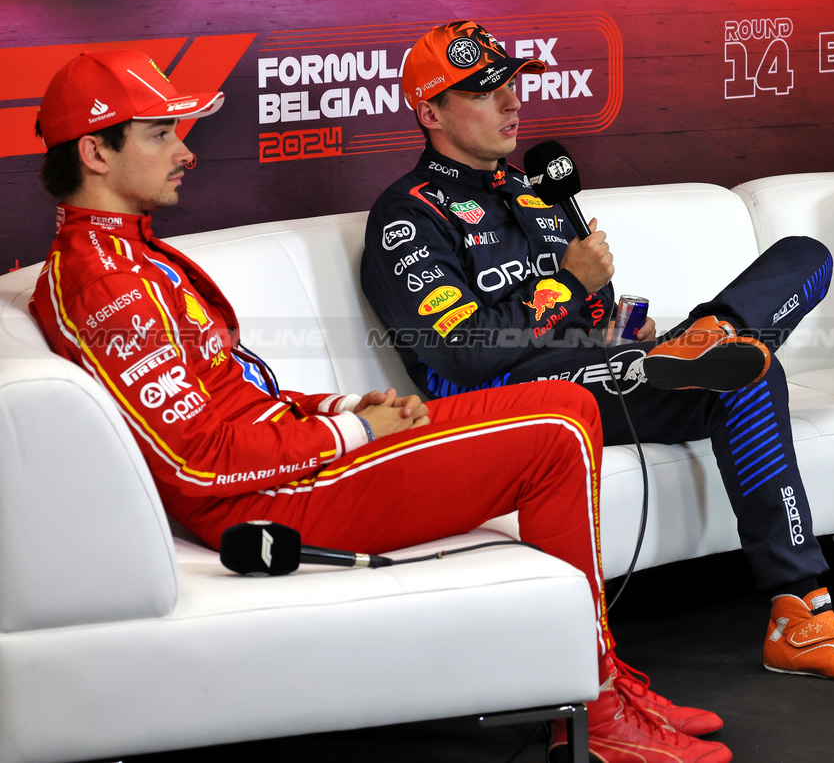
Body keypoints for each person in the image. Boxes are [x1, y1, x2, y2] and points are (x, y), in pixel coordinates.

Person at [28, 49, 733, 763]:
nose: (185, 153)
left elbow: (234, 396)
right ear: (95, 151)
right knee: (557, 420)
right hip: (267, 501)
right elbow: (201, 462)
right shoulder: (105, 283)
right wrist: (353, 428)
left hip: (290, 467)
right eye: (160, 134)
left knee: (566, 408)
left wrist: (337, 404)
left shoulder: (131, 258)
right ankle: (593, 702)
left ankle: (600, 674)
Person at [360, 21, 834, 684]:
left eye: (512, 85)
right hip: (514, 402)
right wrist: (567, 282)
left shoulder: (537, 194)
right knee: (750, 377)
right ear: (430, 112)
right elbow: (463, 355)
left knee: (804, 257)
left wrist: (631, 332)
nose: (510, 103)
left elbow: (598, 312)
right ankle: (803, 612)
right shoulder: (406, 218)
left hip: (601, 372)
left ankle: (714, 334)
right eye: (484, 92)